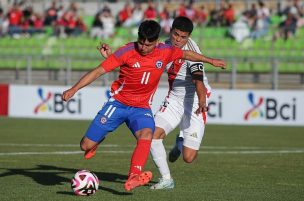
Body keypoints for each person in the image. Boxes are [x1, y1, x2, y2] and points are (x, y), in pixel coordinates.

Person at [62, 20, 226, 192]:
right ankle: (94, 144)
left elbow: (187, 55)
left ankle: (134, 175)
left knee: (150, 135)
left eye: (148, 45)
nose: (143, 47)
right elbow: (97, 71)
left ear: (155, 43)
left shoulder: (166, 51)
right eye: (141, 43)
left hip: (143, 108)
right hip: (118, 104)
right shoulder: (127, 51)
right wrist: (74, 89)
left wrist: (211, 61)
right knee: (85, 146)